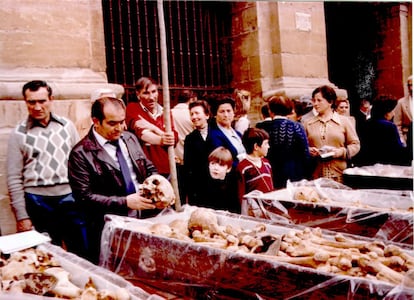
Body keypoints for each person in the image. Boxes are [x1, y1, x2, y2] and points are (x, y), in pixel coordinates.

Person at [68, 97, 161, 263]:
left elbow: (147, 167)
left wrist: (158, 184)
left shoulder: (130, 138)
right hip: (106, 228)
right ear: (96, 121)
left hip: (141, 219)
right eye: (113, 123)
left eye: (122, 121)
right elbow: (84, 197)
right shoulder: (80, 153)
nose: (120, 128)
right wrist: (125, 202)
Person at [7, 80, 87, 256]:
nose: (37, 107)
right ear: (25, 102)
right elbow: (14, 178)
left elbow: (80, 164)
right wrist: (22, 216)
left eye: (42, 101)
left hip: (70, 199)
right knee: (47, 256)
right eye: (31, 102)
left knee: (81, 251)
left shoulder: (67, 126)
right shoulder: (19, 134)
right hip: (38, 202)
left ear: (51, 99)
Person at [304, 85, 360, 183]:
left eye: (319, 100)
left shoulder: (344, 121)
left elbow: (355, 145)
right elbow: (302, 147)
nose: (315, 104)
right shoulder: (307, 123)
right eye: (314, 100)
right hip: (316, 176)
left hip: (339, 175)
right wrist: (308, 150)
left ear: (330, 102)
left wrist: (339, 152)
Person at [125, 77, 178, 177]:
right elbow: (143, 134)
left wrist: (153, 128)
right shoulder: (133, 108)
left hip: (166, 168)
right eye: (146, 93)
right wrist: (163, 140)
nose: (151, 97)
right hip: (145, 169)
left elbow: (174, 138)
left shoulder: (165, 112)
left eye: (154, 92)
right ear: (138, 94)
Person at [266, 95, 310, 189]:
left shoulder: (263, 127)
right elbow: (305, 153)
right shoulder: (297, 126)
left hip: (271, 173)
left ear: (270, 111)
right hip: (294, 173)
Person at [354, 95, 407, 166]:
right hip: (388, 164)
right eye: (392, 111)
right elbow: (397, 148)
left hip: (369, 163)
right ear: (386, 113)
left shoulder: (366, 124)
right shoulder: (390, 126)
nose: (393, 114)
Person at [184, 100, 211, 206]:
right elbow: (188, 167)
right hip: (200, 188)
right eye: (191, 114)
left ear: (207, 115)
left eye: (197, 113)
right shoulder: (190, 138)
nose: (194, 117)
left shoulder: (217, 133)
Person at [171, 90, 197, 202]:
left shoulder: (169, 112)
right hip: (190, 158)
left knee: (179, 191)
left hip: (175, 157)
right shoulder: (192, 114)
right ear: (191, 100)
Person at [236, 128, 274, 203]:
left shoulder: (267, 163)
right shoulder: (243, 167)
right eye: (266, 143)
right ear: (256, 146)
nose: (268, 146)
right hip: (253, 210)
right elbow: (241, 195)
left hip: (270, 207)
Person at [207, 96, 246, 167]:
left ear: (234, 112)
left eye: (229, 111)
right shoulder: (214, 136)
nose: (226, 115)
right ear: (215, 115)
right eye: (222, 111)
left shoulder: (238, 134)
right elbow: (222, 161)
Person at [204, 146, 240, 213]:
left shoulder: (231, 187)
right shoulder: (203, 185)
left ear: (228, 169)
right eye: (213, 163)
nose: (215, 168)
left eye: (221, 165)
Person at [393, 75, 412, 147]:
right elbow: (397, 125)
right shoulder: (401, 102)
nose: (411, 88)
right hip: (408, 141)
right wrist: (402, 141)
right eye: (409, 85)